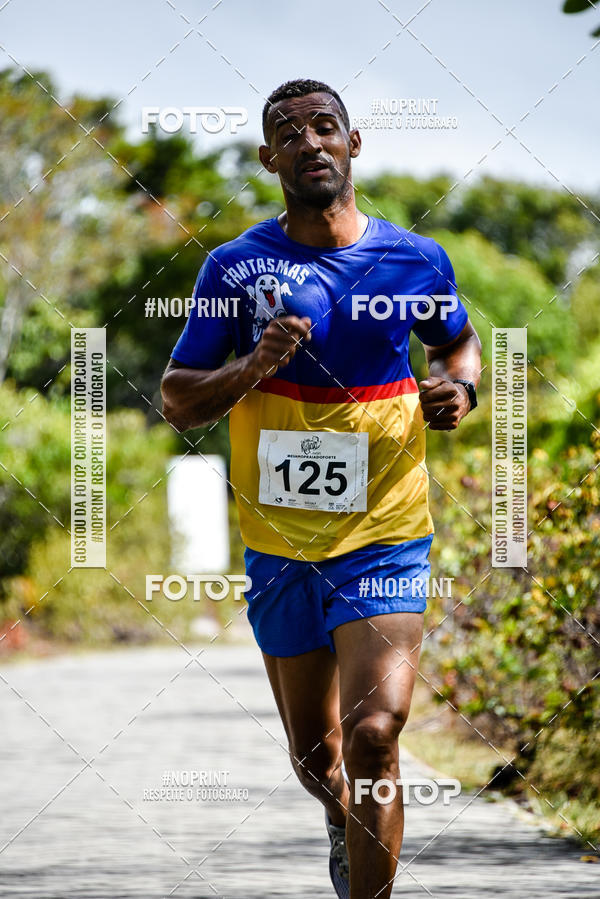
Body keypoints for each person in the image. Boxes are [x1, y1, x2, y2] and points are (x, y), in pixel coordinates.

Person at [161, 77, 481, 899]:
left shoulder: (414, 259)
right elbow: (177, 400)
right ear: (269, 158)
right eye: (289, 133)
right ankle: (341, 817)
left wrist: (460, 388)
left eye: (325, 126)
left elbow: (457, 344)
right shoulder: (235, 268)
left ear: (353, 143)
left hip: (385, 534)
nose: (309, 141)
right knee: (318, 758)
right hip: (281, 544)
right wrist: (253, 364)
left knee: (375, 733)